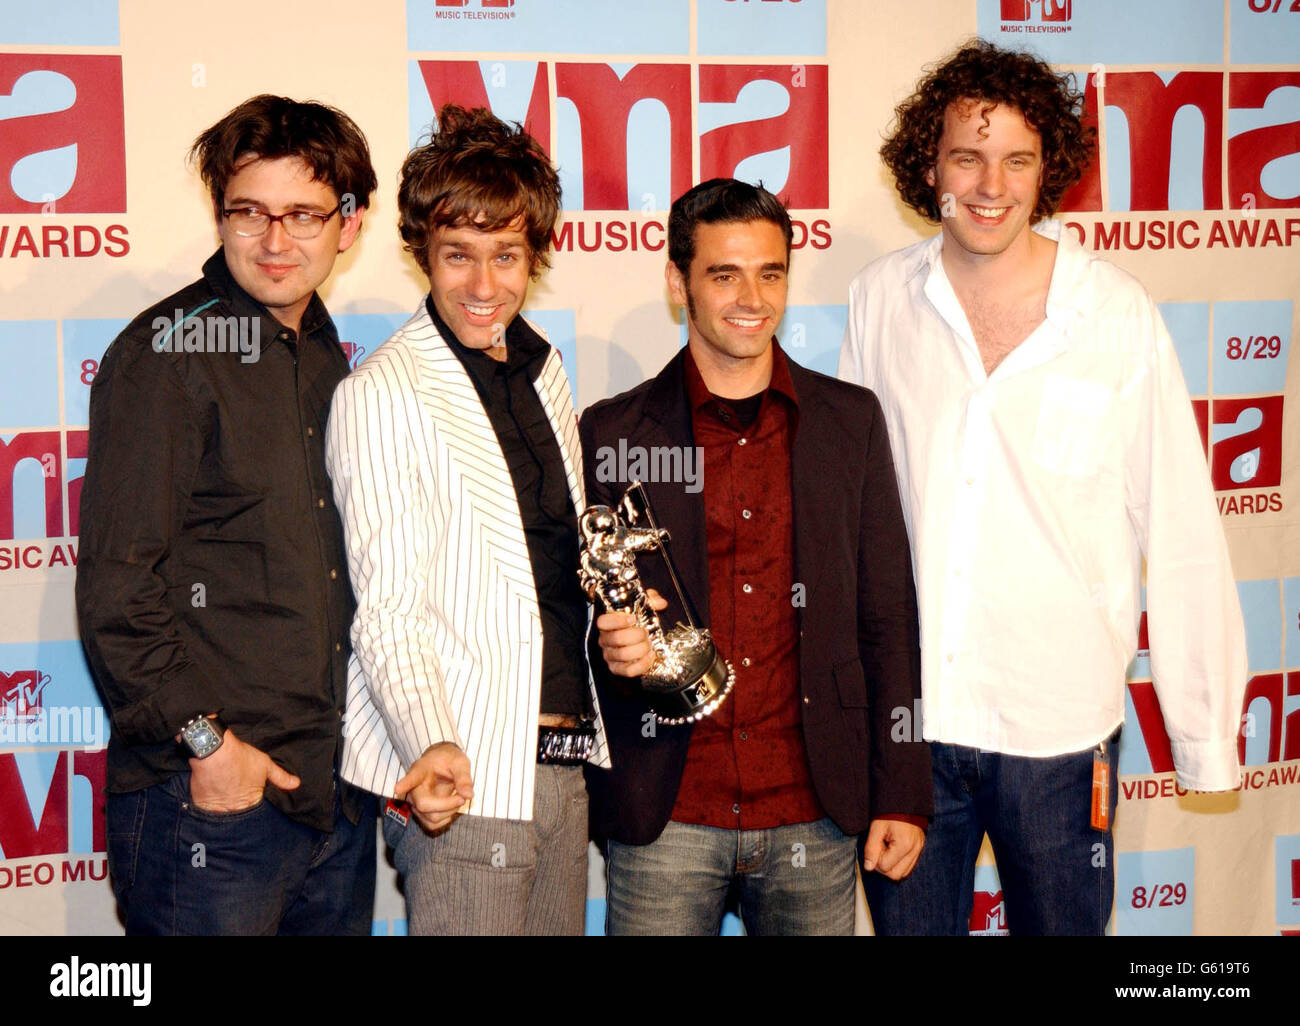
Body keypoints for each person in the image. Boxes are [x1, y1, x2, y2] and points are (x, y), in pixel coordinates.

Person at [838, 40, 1248, 935]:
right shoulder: (878, 302)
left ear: (1047, 169)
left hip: (1062, 735)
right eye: (967, 157)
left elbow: (1179, 529)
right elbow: (854, 524)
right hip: (913, 727)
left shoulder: (1117, 315)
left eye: (1017, 159)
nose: (991, 184)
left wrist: (1206, 734)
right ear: (928, 166)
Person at [581, 178, 932, 936]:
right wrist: (607, 645)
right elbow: (577, 610)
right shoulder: (612, 433)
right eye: (724, 273)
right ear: (679, 283)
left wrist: (901, 788)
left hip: (816, 812)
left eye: (771, 273)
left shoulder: (849, 421)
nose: (752, 296)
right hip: (668, 814)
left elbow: (888, 617)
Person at [76, 94, 378, 935]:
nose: (277, 242)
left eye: (304, 215)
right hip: (208, 805)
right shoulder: (164, 356)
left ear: (349, 225)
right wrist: (208, 747)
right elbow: (117, 587)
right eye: (251, 213)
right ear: (220, 214)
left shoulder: (322, 352)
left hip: (329, 794)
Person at [325, 105, 608, 936]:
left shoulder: (543, 368)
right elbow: (387, 610)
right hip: (464, 777)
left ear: (535, 258)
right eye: (459, 256)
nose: (484, 286)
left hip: (561, 767)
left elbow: (549, 564)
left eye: (506, 256)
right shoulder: (380, 392)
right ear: (423, 254)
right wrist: (430, 745)